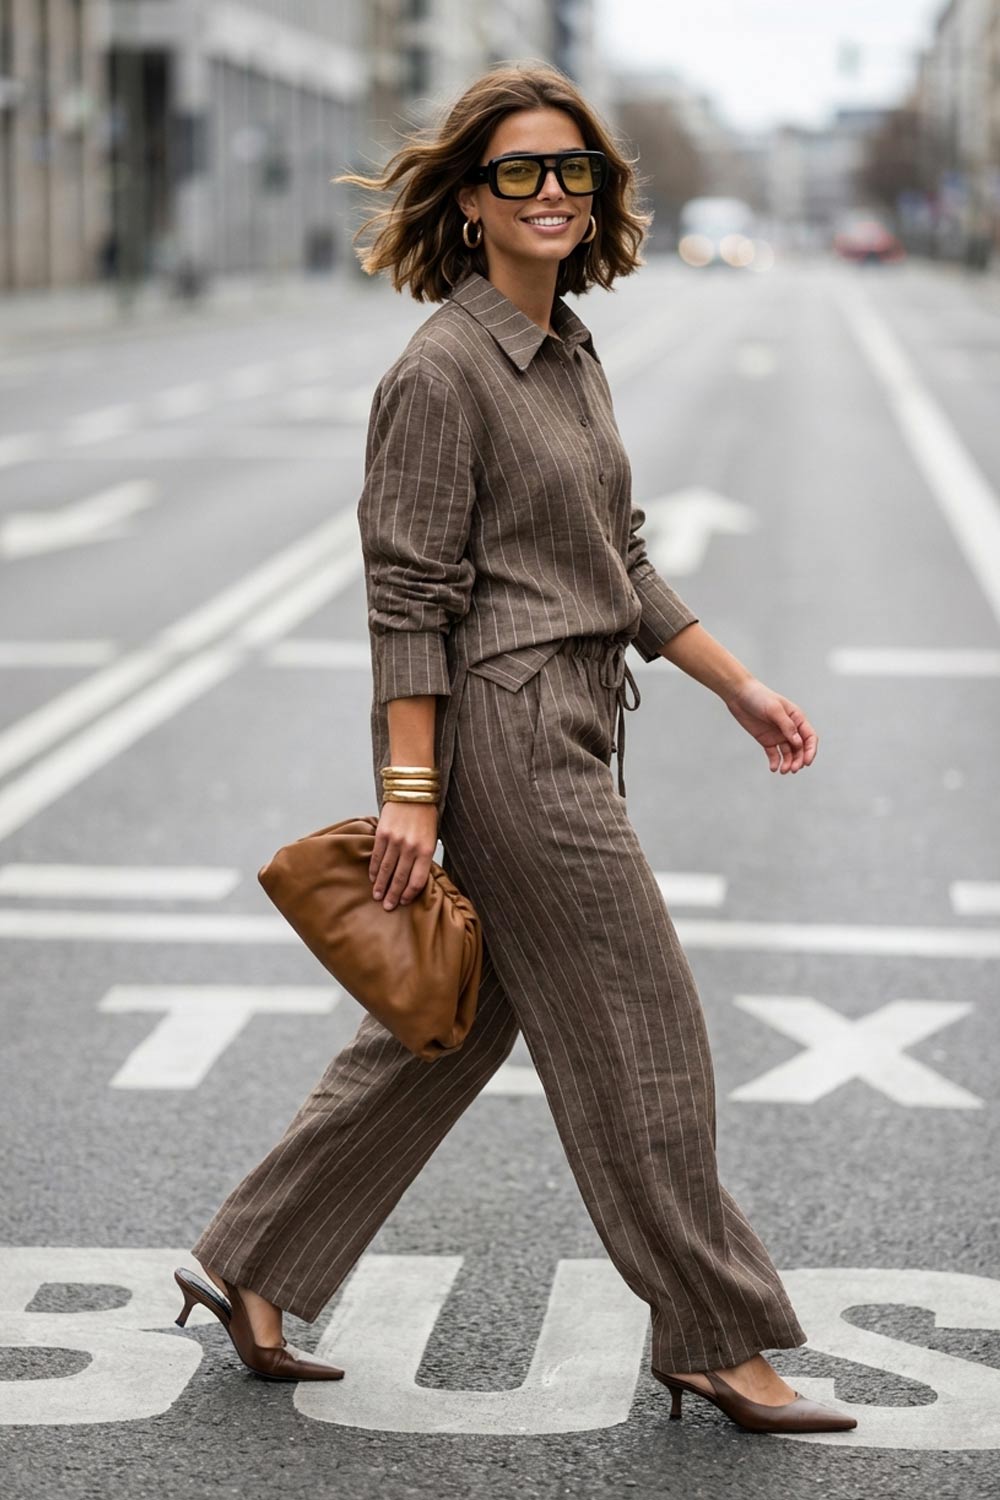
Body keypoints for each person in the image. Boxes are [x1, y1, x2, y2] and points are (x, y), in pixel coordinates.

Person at [174, 61, 857, 1435]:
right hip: (509, 743)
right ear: (471, 203)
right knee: (645, 1034)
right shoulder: (442, 371)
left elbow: (615, 558)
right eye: (519, 174)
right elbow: (407, 604)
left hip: (577, 718)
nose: (552, 193)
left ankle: (250, 1264)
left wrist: (736, 683)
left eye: (573, 171)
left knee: (448, 1025)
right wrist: (411, 797)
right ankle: (713, 1336)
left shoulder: (569, 347)